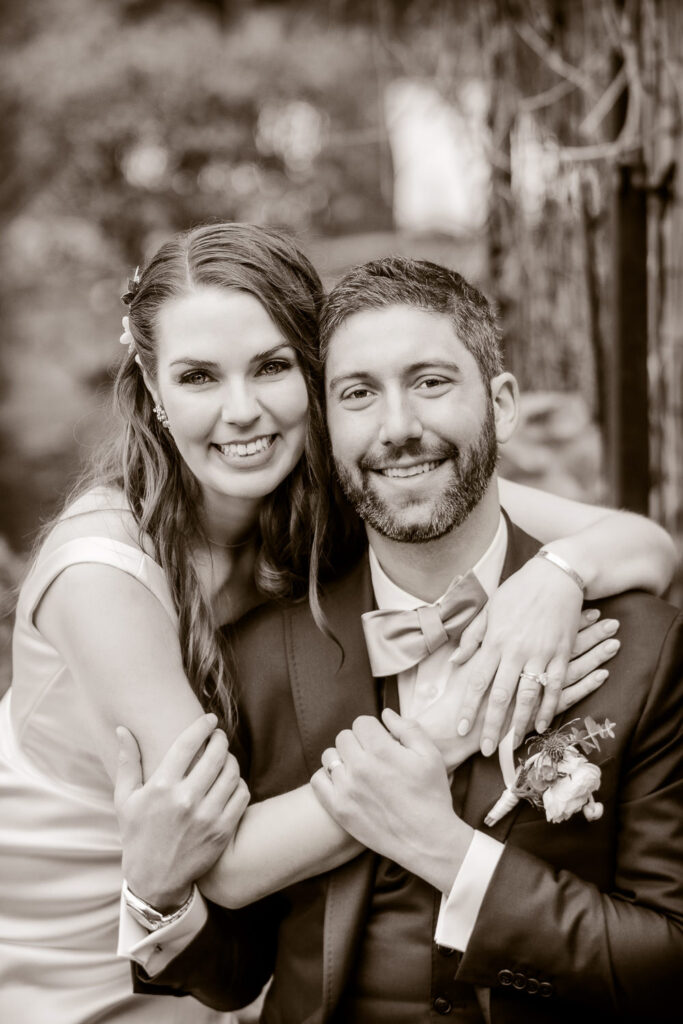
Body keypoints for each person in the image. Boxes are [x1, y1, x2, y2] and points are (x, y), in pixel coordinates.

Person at [0, 223, 637, 1024]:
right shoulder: (101, 573)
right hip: (78, 934)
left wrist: (555, 575)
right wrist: (455, 722)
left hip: (228, 935)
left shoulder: (343, 487)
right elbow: (225, 859)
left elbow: (639, 543)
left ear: (314, 373)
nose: (241, 412)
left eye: (270, 368)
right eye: (198, 377)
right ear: (153, 391)